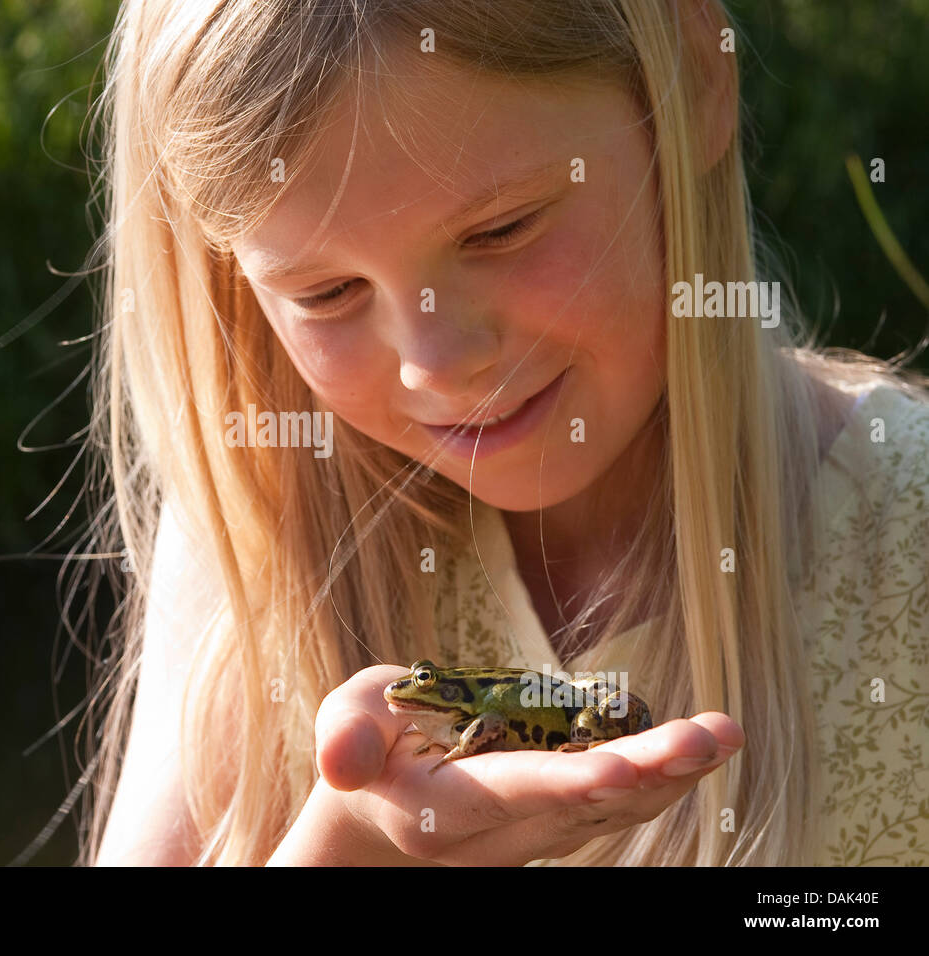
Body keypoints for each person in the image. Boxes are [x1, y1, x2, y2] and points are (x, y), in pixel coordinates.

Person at [74, 0, 929, 865]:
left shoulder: (906, 536)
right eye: (328, 293)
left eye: (501, 229)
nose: (436, 363)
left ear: (697, 74)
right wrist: (352, 848)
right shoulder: (254, 520)